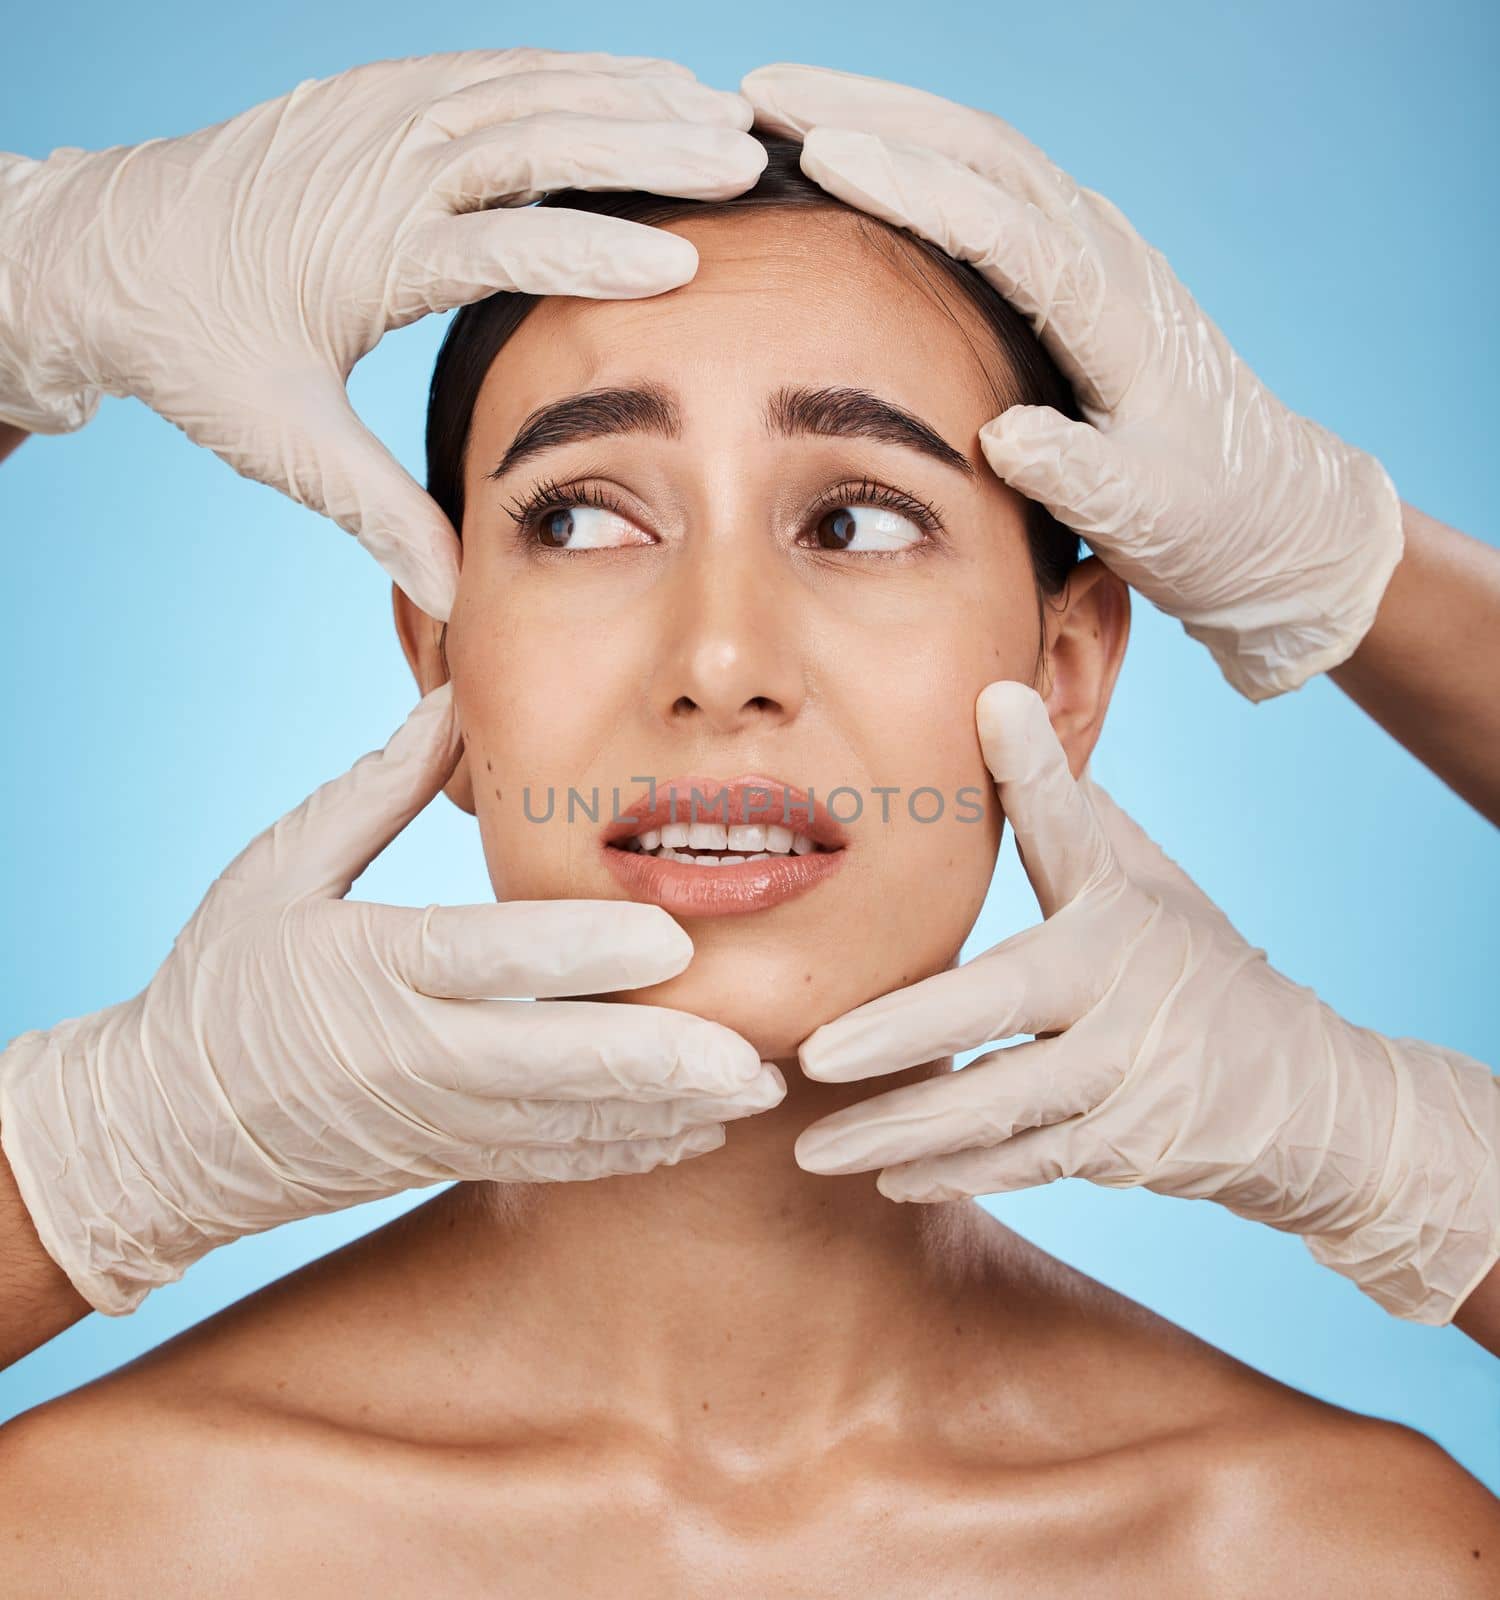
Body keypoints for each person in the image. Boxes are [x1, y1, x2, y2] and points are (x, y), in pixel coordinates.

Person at [1, 135, 1495, 1595]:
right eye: (584, 517)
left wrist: (1422, 1171)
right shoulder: (82, 1537)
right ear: (440, 669)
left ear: (1068, 672)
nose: (721, 660)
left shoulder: (1345, 1554)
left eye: (855, 520)